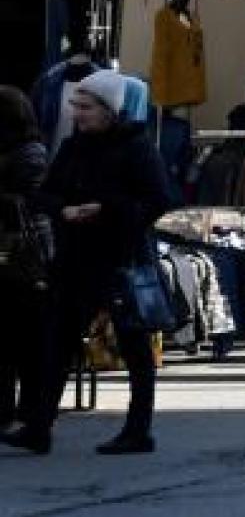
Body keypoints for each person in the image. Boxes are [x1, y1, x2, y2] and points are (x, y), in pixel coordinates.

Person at [12, 71, 168, 455]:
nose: (77, 113)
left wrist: (105, 208)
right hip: (75, 258)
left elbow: (159, 200)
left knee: (133, 345)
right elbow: (45, 195)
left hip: (121, 259)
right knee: (58, 342)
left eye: (86, 107)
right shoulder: (73, 147)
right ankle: (39, 426)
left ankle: (138, 430)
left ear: (109, 109)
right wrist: (63, 210)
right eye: (76, 105)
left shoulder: (136, 147)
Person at [0, 87, 53, 453]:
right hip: (18, 257)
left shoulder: (29, 155)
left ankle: (26, 410)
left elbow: (33, 205)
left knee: (22, 339)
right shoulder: (20, 152)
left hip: (24, 258)